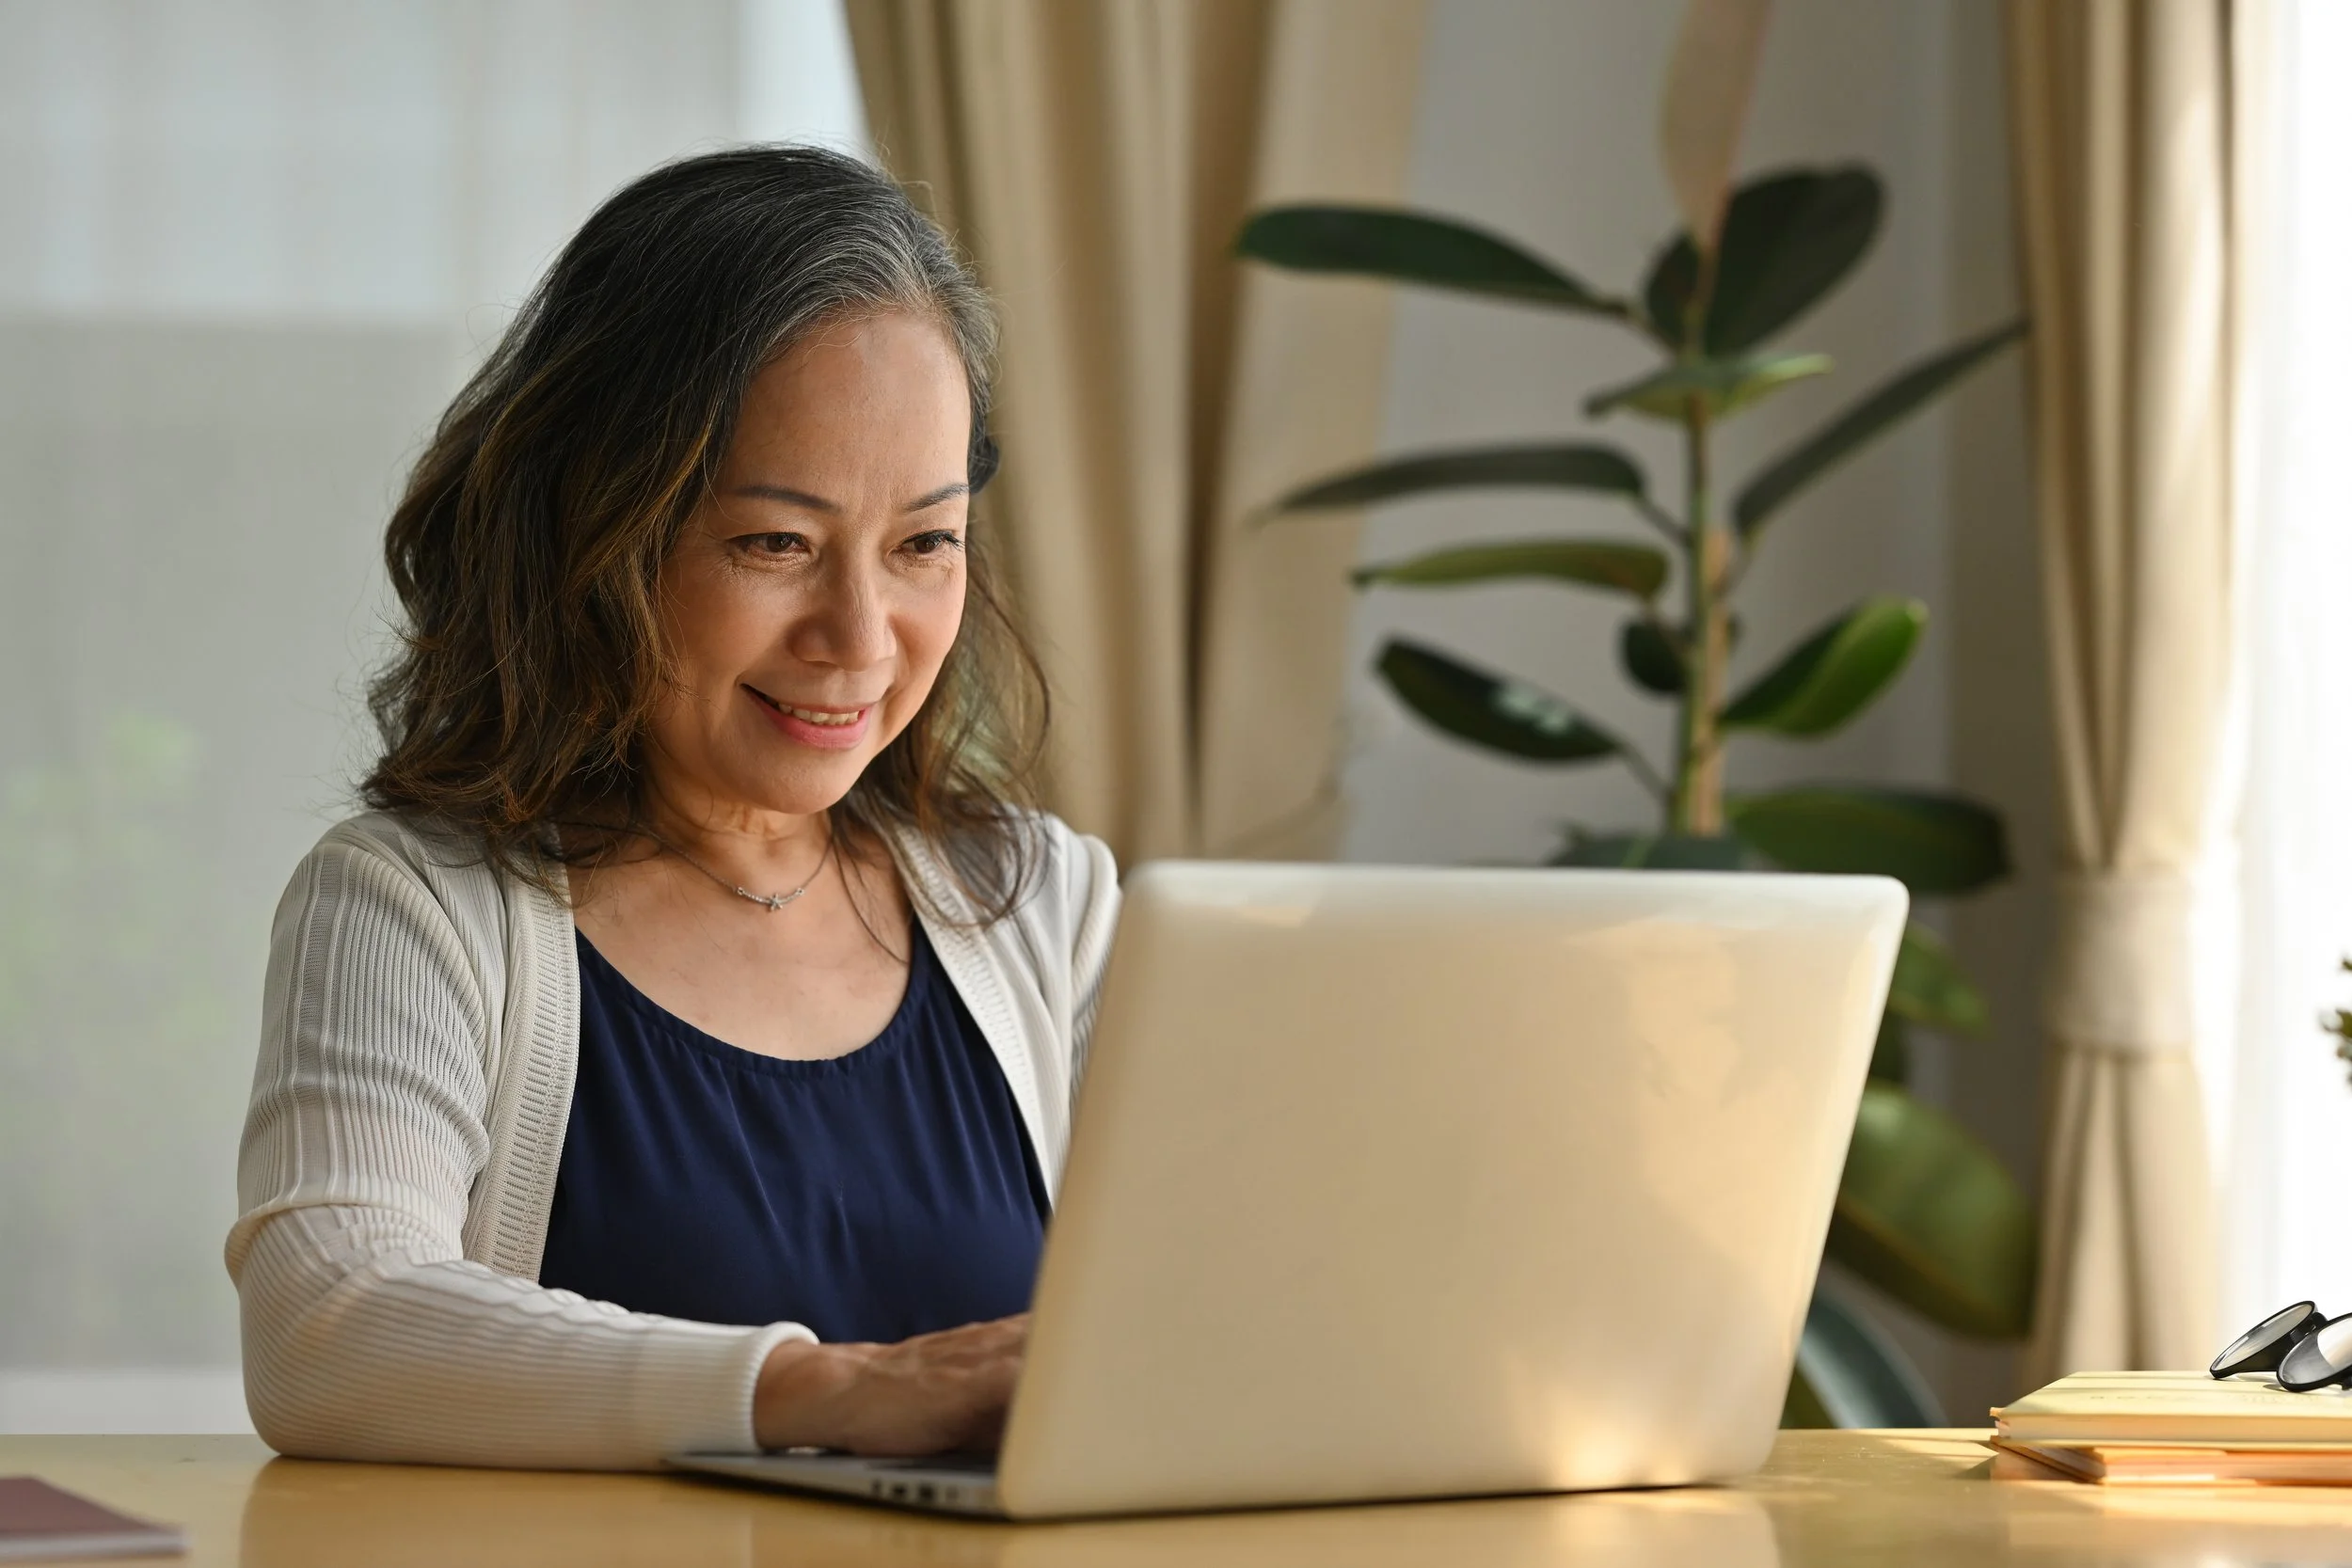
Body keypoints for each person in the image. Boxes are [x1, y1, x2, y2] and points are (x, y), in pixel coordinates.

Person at [224, 147, 1119, 1470]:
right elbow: (326, 1323)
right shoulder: (412, 903)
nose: (860, 637)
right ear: (598, 537)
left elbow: (1217, 1315)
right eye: (776, 542)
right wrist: (824, 1390)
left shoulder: (1042, 902)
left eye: (924, 541)